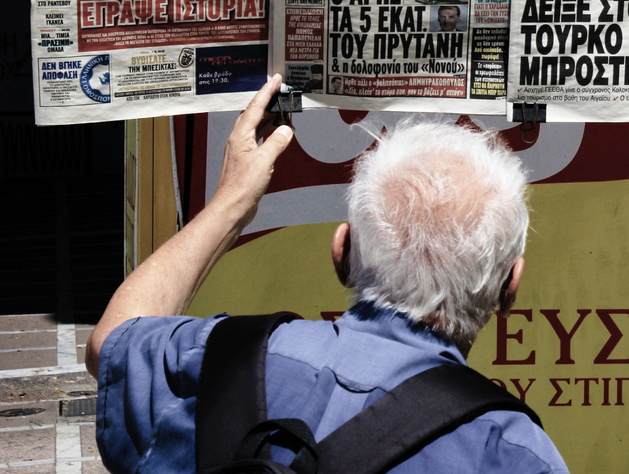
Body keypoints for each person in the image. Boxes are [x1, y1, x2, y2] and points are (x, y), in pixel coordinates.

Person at [86, 75, 568, 474]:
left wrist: (231, 203)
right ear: (510, 288)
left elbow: (110, 340)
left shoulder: (221, 360)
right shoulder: (511, 452)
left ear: (342, 253)